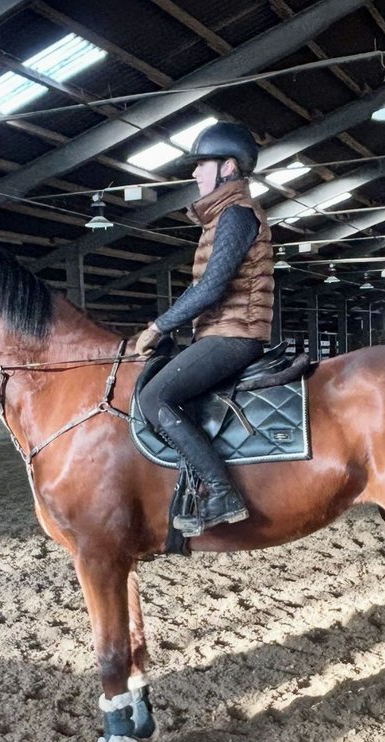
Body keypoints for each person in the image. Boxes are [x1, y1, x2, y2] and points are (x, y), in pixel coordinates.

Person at [133, 122, 274, 537]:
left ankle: (220, 491)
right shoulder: (222, 218)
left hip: (235, 334)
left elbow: (211, 288)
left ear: (228, 167)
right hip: (221, 331)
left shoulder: (235, 214)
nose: (195, 174)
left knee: (155, 396)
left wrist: (158, 327)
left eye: (201, 165)